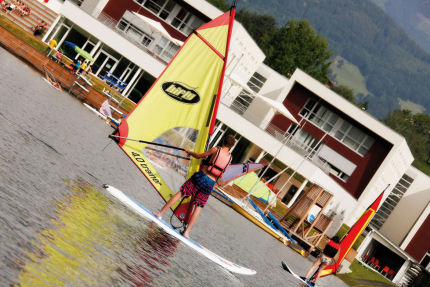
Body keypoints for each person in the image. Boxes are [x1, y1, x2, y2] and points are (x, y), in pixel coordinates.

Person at [153, 135, 235, 238]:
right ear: (231, 146)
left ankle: (159, 213)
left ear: (223, 141)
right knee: (198, 207)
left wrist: (189, 152)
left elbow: (198, 156)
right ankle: (187, 232)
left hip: (202, 176)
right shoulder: (230, 158)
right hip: (211, 183)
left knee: (181, 193)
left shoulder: (216, 149)